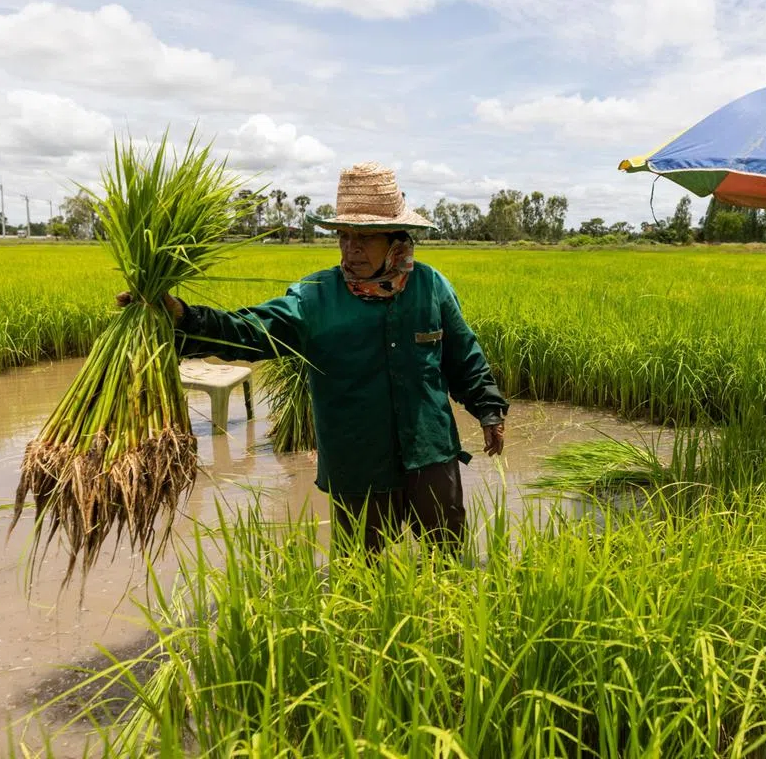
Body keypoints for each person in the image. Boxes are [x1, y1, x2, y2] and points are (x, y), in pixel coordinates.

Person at [119, 162, 508, 557]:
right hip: (358, 459)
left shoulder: (430, 286)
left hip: (430, 450)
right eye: (344, 236)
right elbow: (249, 330)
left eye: (365, 238)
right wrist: (183, 318)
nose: (351, 249)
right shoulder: (314, 297)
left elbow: (463, 355)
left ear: (395, 240)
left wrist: (489, 409)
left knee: (447, 553)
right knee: (363, 564)